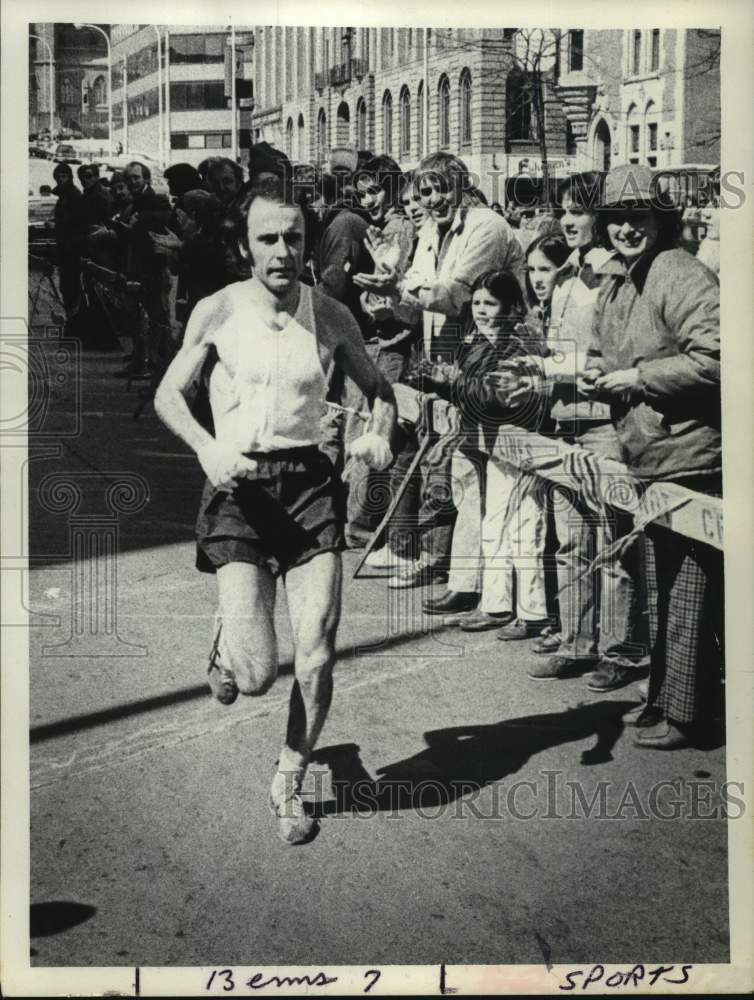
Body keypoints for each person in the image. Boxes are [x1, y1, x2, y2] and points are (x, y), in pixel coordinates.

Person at [154, 175, 398, 843]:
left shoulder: (332, 313)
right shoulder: (218, 309)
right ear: (244, 245)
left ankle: (290, 778)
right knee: (256, 676)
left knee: (317, 653)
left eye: (294, 237)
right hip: (239, 489)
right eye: (268, 238)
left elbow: (381, 391)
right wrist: (207, 450)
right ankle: (228, 641)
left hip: (312, 490)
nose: (283, 251)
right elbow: (169, 396)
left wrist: (377, 432)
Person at [582, 164, 722, 749]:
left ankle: (688, 715)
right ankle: (665, 697)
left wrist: (637, 379)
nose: (626, 229)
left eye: (637, 217)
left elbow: (719, 356)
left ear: (658, 219)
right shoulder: (620, 282)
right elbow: (599, 350)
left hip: (692, 455)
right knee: (663, 585)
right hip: (650, 454)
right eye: (616, 219)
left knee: (688, 586)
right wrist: (594, 372)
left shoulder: (679, 272)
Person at [355, 151, 525, 593]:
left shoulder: (486, 226)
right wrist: (386, 294)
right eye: (424, 192)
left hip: (491, 360)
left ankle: (460, 573)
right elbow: (413, 300)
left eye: (440, 189)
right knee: (445, 466)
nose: (432, 200)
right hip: (443, 364)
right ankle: (447, 566)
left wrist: (400, 287)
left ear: (462, 184)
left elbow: (455, 294)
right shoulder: (431, 230)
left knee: (467, 472)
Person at [526, 172, 648, 687]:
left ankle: (620, 651)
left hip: (605, 425)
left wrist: (554, 368)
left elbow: (615, 354)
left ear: (601, 218)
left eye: (579, 211)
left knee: (614, 541)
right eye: (565, 211)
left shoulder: (613, 276)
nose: (568, 221)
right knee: (570, 540)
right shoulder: (569, 274)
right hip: (565, 422)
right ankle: (578, 644)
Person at [426, 271, 551, 632]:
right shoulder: (479, 342)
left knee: (526, 529)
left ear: (511, 308)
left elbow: (495, 399)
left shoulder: (518, 344)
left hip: (524, 445)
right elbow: (473, 394)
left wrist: (453, 381)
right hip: (496, 447)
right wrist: (449, 383)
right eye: (477, 303)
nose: (481, 311)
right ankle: (496, 605)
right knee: (494, 525)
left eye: (490, 304)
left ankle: (532, 612)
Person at [51, 162, 83, 317]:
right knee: (66, 286)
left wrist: (57, 225)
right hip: (65, 247)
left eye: (64, 176)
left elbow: (74, 222)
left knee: (71, 287)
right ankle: (71, 319)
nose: (61, 180)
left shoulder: (73, 195)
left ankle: (74, 322)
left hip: (71, 249)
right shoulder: (64, 194)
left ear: (70, 177)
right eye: (59, 177)